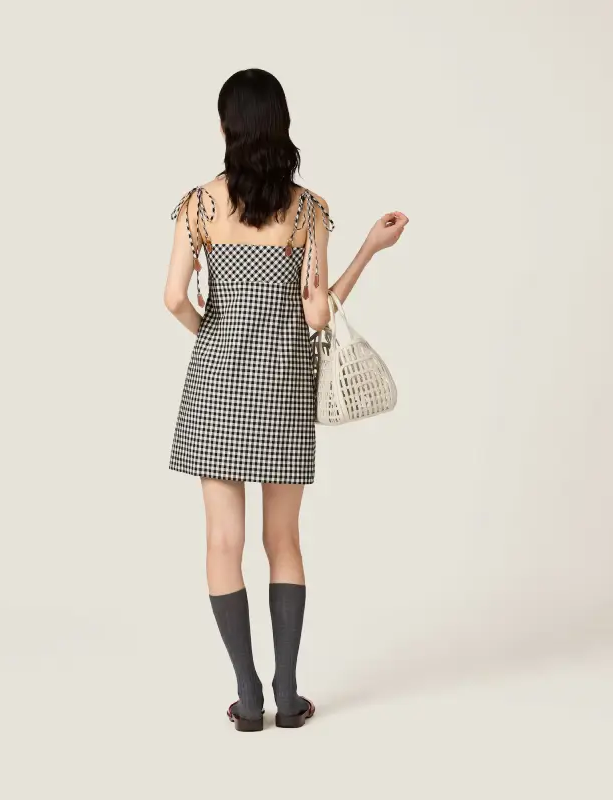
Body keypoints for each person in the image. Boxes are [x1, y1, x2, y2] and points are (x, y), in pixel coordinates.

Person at [164, 68, 409, 732]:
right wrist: (370, 248)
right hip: (282, 385)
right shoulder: (308, 212)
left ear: (225, 127)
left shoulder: (198, 206)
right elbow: (318, 314)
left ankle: (247, 698)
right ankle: (289, 692)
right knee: (284, 539)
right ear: (282, 126)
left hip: (216, 384)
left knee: (223, 540)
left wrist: (212, 331)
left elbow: (173, 299)